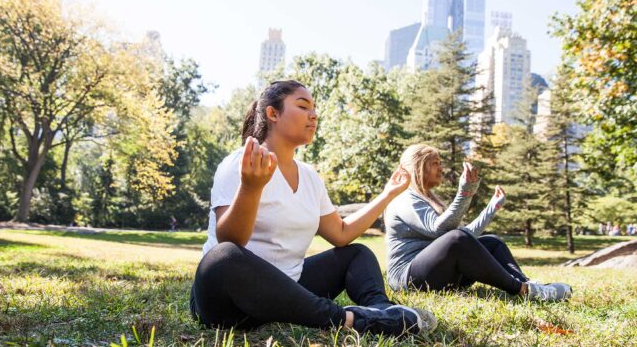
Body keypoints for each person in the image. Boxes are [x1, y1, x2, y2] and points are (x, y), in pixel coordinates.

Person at [189, 81, 437, 337]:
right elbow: (231, 240)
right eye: (302, 106)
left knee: (356, 254)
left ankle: (382, 311)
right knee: (223, 258)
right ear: (273, 114)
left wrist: (387, 195)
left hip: (291, 289)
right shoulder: (241, 164)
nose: (314, 114)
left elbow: (340, 233)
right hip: (229, 302)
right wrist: (251, 187)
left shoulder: (309, 177)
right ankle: (353, 320)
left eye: (314, 108)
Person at [385, 144, 572, 301]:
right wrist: (465, 193)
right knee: (456, 239)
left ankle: (529, 284)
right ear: (418, 167)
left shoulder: (426, 198)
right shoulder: (404, 199)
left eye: (441, 163)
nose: (441, 168)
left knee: (492, 242)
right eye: (435, 163)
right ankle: (522, 290)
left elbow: (464, 239)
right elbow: (442, 232)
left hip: (435, 274)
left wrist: (492, 208)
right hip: (407, 279)